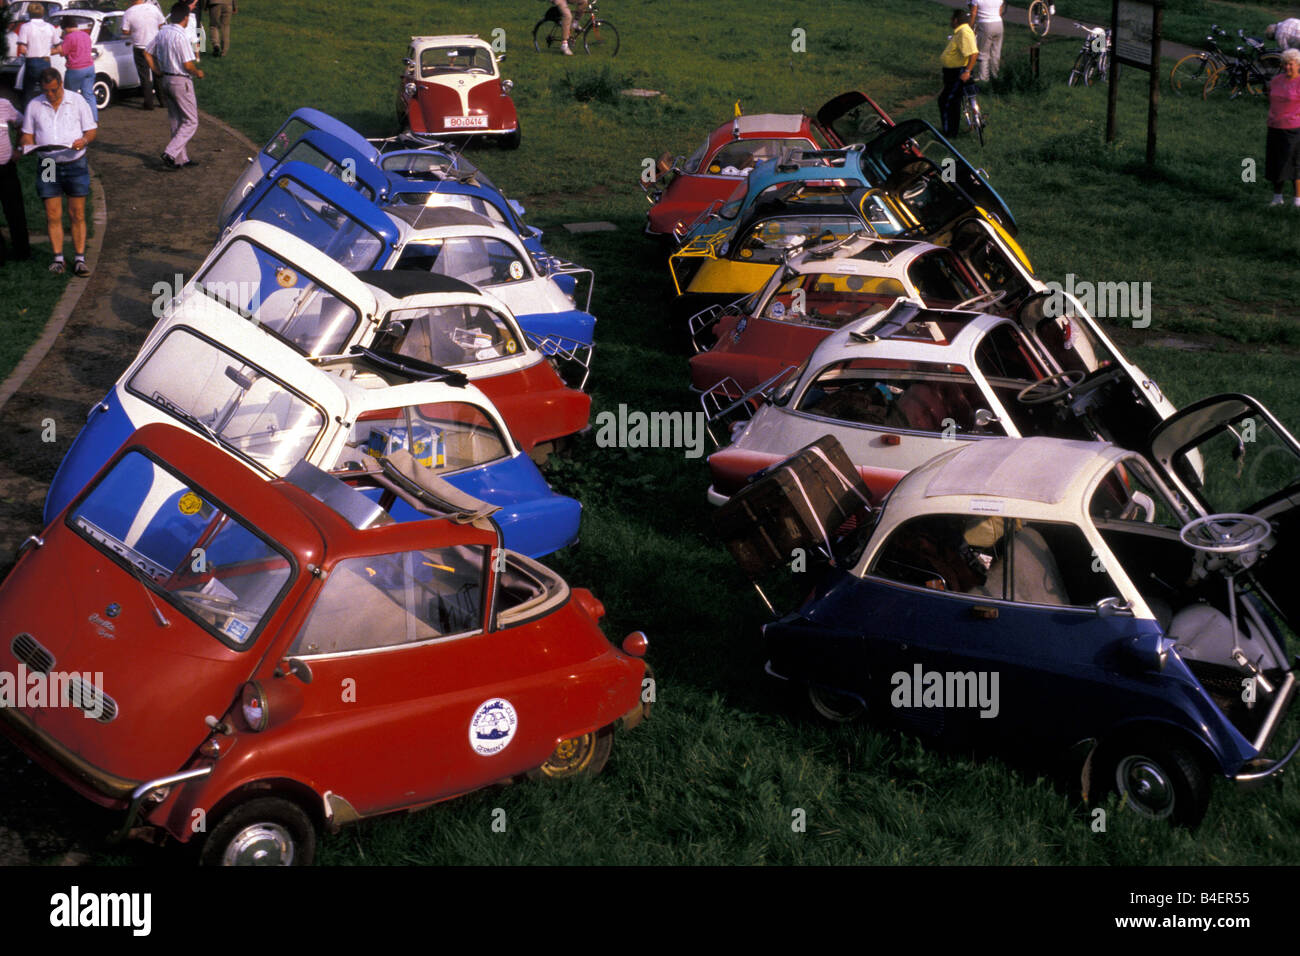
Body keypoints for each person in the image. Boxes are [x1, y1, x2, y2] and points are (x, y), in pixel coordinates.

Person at [18, 68, 96, 275]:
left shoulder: (77, 101)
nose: (51, 95)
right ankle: (58, 258)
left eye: (54, 90)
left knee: (77, 212)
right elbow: (27, 134)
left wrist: (84, 141)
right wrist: (28, 145)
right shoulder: (35, 105)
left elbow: (91, 130)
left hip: (74, 162)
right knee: (52, 213)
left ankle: (79, 258)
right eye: (46, 91)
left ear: (61, 84)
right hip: (48, 165)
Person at [146, 1, 203, 169]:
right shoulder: (181, 36)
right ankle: (170, 153)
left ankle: (180, 159)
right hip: (181, 80)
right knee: (191, 121)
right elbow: (187, 65)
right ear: (186, 18)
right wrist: (197, 72)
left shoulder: (162, 32)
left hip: (166, 79)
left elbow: (147, 52)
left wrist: (156, 70)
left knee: (175, 120)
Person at [1266, 48, 1300, 208]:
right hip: (1274, 126)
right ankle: (1277, 197)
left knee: (1295, 164)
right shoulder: (1276, 80)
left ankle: (1297, 200)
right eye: (1285, 64)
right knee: (1276, 163)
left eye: (1291, 64)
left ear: (1298, 65)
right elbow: (1270, 96)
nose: (1287, 67)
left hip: (1293, 129)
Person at [0, 95, 32, 264]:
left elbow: (23, 125)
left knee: (15, 211)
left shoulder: (4, 105)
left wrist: (19, 149)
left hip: (6, 167)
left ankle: (22, 252)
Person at [939, 8, 978, 136]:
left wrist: (967, 71)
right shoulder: (961, 32)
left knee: (947, 101)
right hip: (952, 71)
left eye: (952, 19)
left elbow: (973, 53)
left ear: (956, 20)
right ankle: (950, 129)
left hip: (957, 72)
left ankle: (949, 131)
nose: (951, 21)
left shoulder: (964, 32)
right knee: (951, 100)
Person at [122, 0, 167, 110]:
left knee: (144, 76)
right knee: (157, 73)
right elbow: (161, 24)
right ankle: (163, 100)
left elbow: (125, 31)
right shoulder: (153, 8)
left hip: (139, 47)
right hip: (154, 46)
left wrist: (134, 30)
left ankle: (149, 102)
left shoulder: (128, 12)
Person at [15, 3, 60, 105]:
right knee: (45, 91)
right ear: (43, 13)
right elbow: (59, 48)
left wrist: (32, 51)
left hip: (32, 61)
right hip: (46, 61)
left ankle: (28, 116)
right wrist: (46, 51)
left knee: (28, 92)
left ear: (29, 13)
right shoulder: (50, 27)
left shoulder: (25, 27)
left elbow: (22, 49)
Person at [57, 17, 96, 121]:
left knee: (69, 95)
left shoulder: (69, 37)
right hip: (89, 67)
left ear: (66, 28)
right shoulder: (86, 35)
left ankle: (69, 119)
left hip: (76, 68)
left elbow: (62, 52)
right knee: (88, 95)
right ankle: (93, 119)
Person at [968, 0, 1005, 82]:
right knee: (996, 53)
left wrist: (970, 28)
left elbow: (973, 14)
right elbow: (1000, 11)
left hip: (985, 25)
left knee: (983, 53)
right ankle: (995, 75)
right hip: (999, 24)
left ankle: (984, 78)